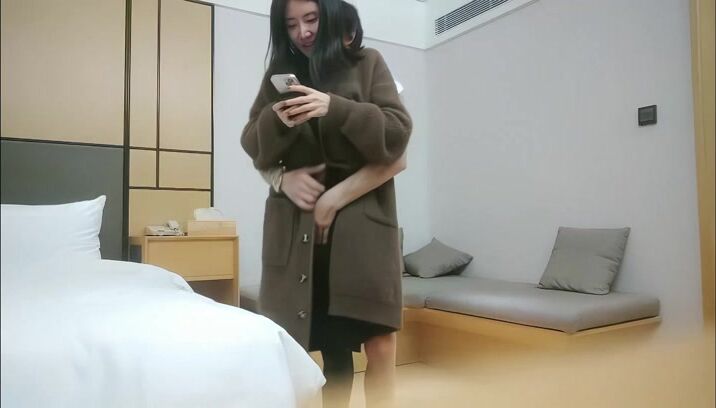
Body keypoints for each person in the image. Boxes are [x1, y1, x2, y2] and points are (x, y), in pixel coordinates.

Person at [240, 0, 411, 406]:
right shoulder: (281, 74)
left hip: (362, 226)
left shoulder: (368, 63)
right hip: (301, 231)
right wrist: (280, 136)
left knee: (379, 341)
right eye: (291, 24)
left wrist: (335, 107)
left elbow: (396, 135)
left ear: (331, 17)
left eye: (311, 19)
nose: (302, 31)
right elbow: (253, 144)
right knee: (330, 350)